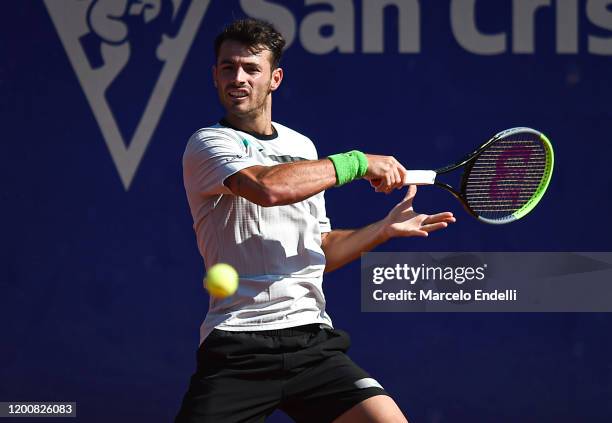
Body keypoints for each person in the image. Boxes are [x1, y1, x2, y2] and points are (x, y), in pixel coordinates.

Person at [176, 18, 455, 423]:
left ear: (274, 79)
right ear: (215, 75)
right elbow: (266, 189)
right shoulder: (207, 143)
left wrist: (382, 228)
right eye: (227, 67)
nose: (238, 78)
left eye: (251, 69)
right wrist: (358, 163)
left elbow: (318, 248)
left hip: (311, 342)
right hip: (238, 347)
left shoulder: (301, 147)